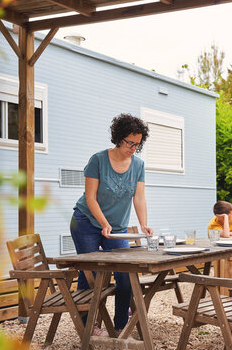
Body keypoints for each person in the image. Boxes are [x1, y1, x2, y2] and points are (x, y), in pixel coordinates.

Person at [70, 113, 153, 335]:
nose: (133, 148)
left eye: (137, 144)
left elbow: (139, 197)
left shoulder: (138, 165)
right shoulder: (98, 160)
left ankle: (119, 326)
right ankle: (88, 324)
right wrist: (103, 223)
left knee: (125, 275)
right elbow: (90, 197)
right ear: (118, 137)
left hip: (117, 229)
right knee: (92, 274)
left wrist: (143, 224)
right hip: (86, 221)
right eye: (129, 142)